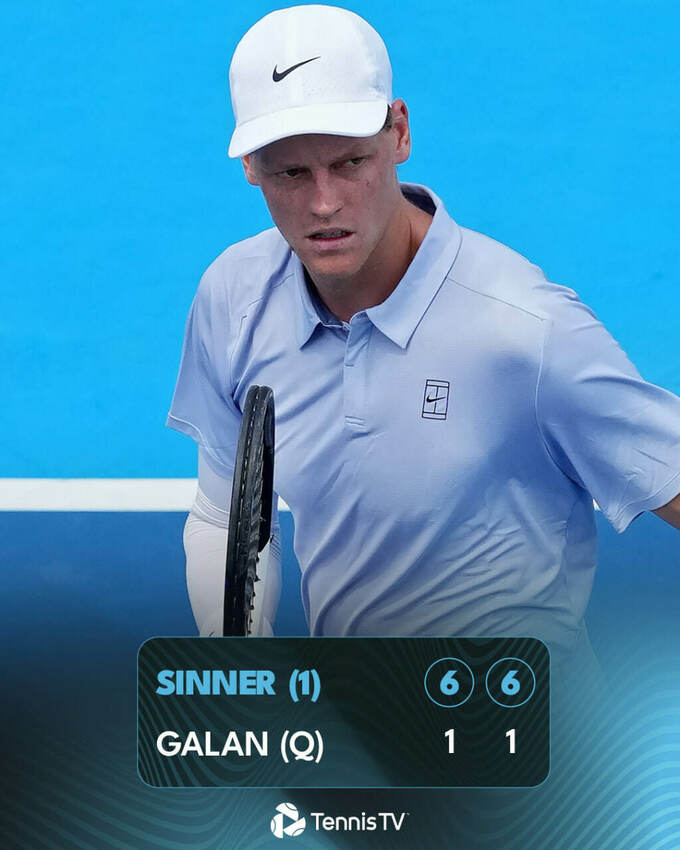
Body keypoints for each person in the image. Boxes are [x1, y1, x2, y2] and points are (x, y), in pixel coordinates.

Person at [166, 5, 680, 674]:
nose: (324, 203)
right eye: (291, 173)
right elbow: (225, 517)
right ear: (251, 168)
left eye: (350, 162)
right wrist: (237, 664)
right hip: (352, 719)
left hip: (527, 729)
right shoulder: (234, 299)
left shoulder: (526, 329)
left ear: (399, 132)